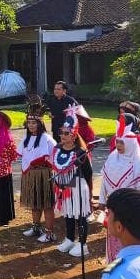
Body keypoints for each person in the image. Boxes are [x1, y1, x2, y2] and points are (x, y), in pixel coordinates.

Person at [99, 123, 140, 263]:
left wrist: (138, 209)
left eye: (122, 143)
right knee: (114, 237)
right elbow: (104, 180)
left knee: (129, 238)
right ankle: (113, 263)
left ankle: (129, 264)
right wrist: (102, 201)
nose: (118, 145)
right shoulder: (112, 157)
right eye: (117, 142)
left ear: (130, 143)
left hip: (131, 210)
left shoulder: (137, 162)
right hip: (113, 207)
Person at [52, 110, 93, 258]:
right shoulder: (57, 149)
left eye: (66, 133)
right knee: (68, 213)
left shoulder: (80, 152)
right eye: (61, 133)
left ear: (74, 136)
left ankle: (82, 244)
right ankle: (69, 239)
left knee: (80, 215)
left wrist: (87, 190)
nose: (62, 136)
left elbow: (88, 173)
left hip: (77, 186)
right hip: (62, 187)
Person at [19, 108, 56, 242]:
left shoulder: (46, 138)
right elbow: (23, 155)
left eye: (34, 123)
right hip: (30, 174)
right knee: (34, 202)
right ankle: (36, 227)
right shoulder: (26, 138)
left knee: (46, 203)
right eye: (29, 122)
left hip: (44, 174)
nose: (31, 125)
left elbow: (53, 155)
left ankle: (49, 233)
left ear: (40, 124)